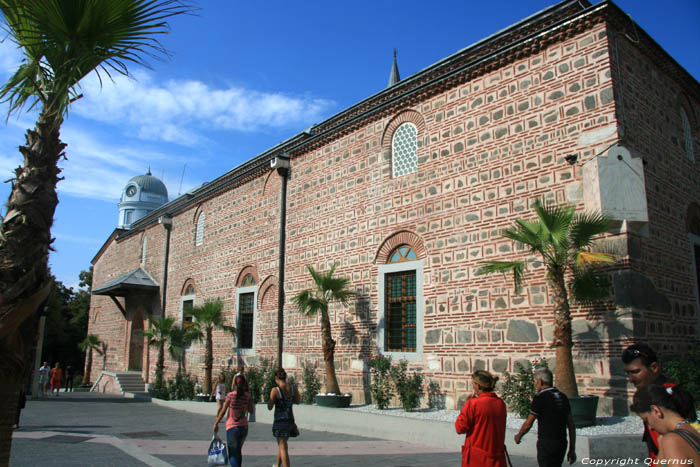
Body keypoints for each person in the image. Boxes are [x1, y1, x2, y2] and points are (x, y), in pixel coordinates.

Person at [514, 368, 576, 466]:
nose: (535, 384)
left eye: (535, 381)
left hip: (546, 442)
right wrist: (572, 449)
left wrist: (519, 435)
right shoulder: (563, 397)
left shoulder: (540, 398)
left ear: (540, 381)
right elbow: (571, 425)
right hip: (561, 442)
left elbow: (528, 423)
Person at [622, 343, 674, 460]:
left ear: (654, 367)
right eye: (627, 373)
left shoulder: (667, 396)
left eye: (635, 372)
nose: (630, 379)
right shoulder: (649, 395)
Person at [630, 384, 700, 465]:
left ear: (656, 410)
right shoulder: (692, 430)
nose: (650, 428)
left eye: (647, 420)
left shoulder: (673, 440)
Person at [455, 370, 507, 467]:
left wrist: (465, 407)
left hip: (477, 458)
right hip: (496, 457)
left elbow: (460, 428)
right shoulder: (500, 403)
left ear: (477, 386)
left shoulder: (473, 404)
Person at [213, 374, 254, 467]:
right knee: (238, 451)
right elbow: (251, 411)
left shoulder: (230, 395)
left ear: (234, 383)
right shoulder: (247, 396)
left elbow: (223, 410)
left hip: (232, 427)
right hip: (243, 427)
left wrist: (216, 422)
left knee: (232, 453)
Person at [267, 368, 300, 467]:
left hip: (280, 421)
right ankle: (277, 465)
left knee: (283, 447)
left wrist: (271, 398)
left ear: (276, 377)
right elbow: (298, 400)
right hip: (290, 420)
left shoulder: (275, 390)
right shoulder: (292, 388)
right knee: (282, 445)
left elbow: (269, 407)